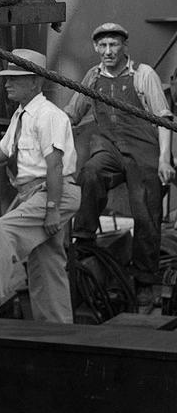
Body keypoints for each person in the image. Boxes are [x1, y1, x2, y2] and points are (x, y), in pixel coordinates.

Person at [0, 49, 80, 322]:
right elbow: (4, 151)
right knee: (46, 261)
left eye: (15, 78)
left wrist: (53, 207)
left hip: (54, 191)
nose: (7, 83)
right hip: (35, 193)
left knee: (3, 229)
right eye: (7, 78)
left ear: (35, 81)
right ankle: (57, 328)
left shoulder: (48, 115)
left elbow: (54, 165)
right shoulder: (23, 115)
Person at [63, 22, 174, 308]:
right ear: (95, 48)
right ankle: (84, 237)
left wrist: (164, 159)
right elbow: (72, 114)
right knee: (90, 173)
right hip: (109, 148)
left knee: (146, 214)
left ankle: (145, 282)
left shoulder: (143, 75)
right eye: (103, 46)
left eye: (114, 45)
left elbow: (164, 118)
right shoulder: (92, 76)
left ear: (125, 46)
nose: (108, 51)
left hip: (143, 151)